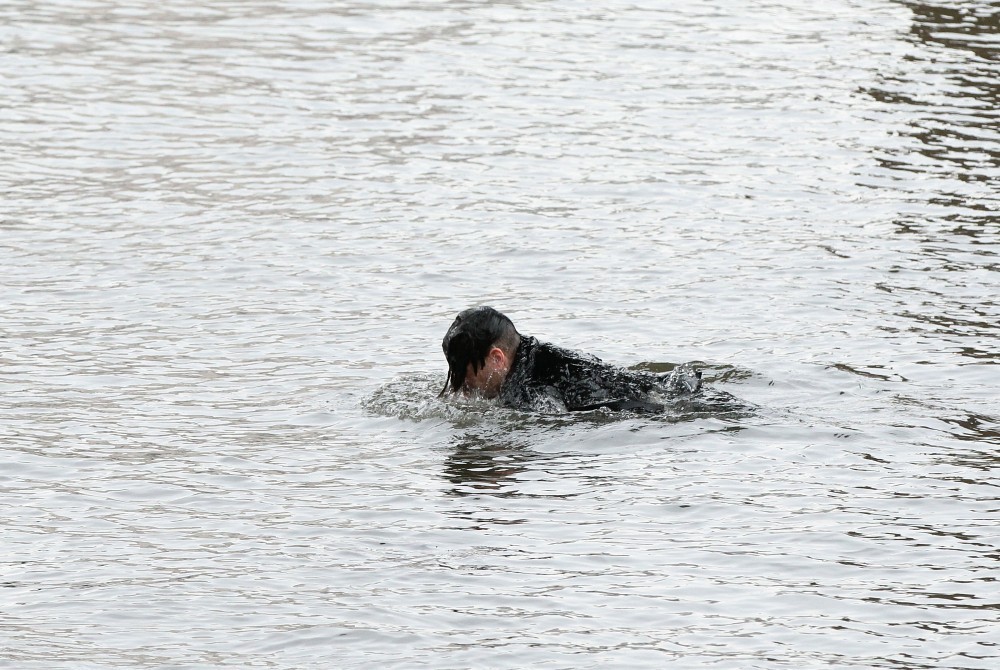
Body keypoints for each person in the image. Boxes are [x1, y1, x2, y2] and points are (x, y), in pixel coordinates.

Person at [439, 306, 703, 413]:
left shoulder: (526, 390)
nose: (462, 386)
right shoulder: (536, 355)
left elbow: (556, 422)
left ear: (497, 358)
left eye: (464, 372)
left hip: (658, 406)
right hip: (666, 386)